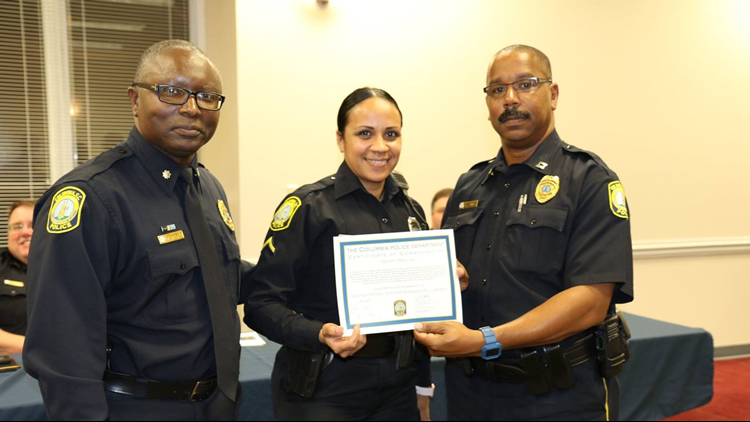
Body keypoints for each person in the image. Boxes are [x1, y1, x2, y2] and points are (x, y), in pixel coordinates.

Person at [23, 40, 249, 420]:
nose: (192, 108)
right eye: (172, 92)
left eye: (207, 97)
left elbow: (221, 280)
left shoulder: (207, 188)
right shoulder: (91, 198)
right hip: (136, 408)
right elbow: (62, 346)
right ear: (134, 99)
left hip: (216, 403)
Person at [414, 45, 634, 421]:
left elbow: (591, 300)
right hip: (471, 393)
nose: (510, 99)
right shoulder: (469, 186)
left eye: (525, 84)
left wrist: (485, 340)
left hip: (557, 395)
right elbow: (450, 277)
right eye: (497, 89)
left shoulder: (590, 180)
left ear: (553, 94)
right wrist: (450, 278)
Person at [245, 87, 467, 421]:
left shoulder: (411, 211)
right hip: (323, 388)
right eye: (365, 134)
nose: (380, 146)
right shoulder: (309, 207)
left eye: (391, 134)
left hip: (397, 388)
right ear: (340, 139)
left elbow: (417, 313)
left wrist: (447, 284)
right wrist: (318, 333)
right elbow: (260, 305)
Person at [0, 200, 34, 354]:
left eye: (33, 225)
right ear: (8, 234)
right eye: (17, 226)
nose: (25, 232)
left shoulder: (68, 265)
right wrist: (34, 347)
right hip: (10, 365)